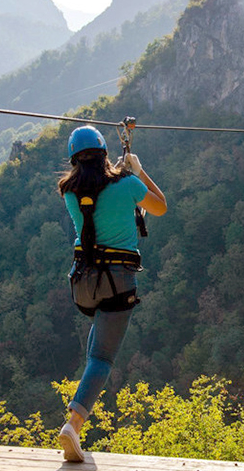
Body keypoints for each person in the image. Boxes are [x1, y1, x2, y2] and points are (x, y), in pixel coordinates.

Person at [56, 125, 167, 462]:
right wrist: (138, 170)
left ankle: (74, 423)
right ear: (105, 153)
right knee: (102, 359)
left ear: (74, 159)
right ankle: (73, 425)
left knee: (96, 349)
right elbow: (160, 206)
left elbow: (97, 196)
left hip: (83, 284)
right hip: (117, 282)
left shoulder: (70, 192)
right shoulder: (128, 185)